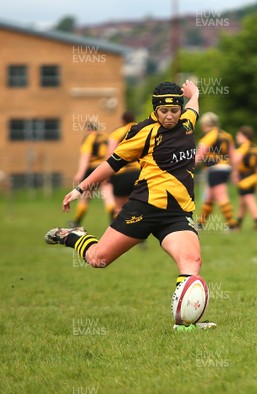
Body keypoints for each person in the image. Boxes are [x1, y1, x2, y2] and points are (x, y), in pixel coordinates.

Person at [44, 80, 215, 331]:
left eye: (174, 110)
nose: (169, 116)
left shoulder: (187, 123)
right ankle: (73, 236)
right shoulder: (143, 132)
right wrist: (80, 188)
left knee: (192, 259)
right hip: (143, 208)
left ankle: (185, 324)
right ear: (155, 109)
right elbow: (111, 163)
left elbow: (194, 107)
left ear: (180, 109)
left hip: (177, 213)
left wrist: (195, 93)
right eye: (163, 111)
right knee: (98, 259)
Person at [194, 112, 237, 230]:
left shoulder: (208, 136)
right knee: (209, 197)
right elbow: (233, 155)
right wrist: (235, 171)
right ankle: (200, 224)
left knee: (221, 196)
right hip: (226, 167)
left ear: (204, 124)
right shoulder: (226, 135)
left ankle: (232, 225)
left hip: (214, 169)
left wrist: (188, 166)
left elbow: (200, 155)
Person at [69, 122, 116, 226]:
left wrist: (80, 173)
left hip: (92, 169)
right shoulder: (107, 137)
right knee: (108, 195)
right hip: (106, 167)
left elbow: (85, 157)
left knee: (85, 196)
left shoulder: (90, 137)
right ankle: (113, 221)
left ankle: (76, 222)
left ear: (88, 130)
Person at [107, 111, 139, 217]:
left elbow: (110, 155)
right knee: (136, 205)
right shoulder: (142, 130)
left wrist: (107, 175)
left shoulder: (117, 132)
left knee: (119, 208)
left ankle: (117, 228)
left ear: (122, 121)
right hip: (139, 172)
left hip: (121, 174)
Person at [232, 126, 257, 232]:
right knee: (242, 202)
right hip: (254, 177)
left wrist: (235, 173)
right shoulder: (256, 149)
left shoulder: (244, 147)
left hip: (245, 178)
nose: (237, 138)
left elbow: (236, 160)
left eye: (238, 135)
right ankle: (238, 225)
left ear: (244, 136)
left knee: (250, 200)